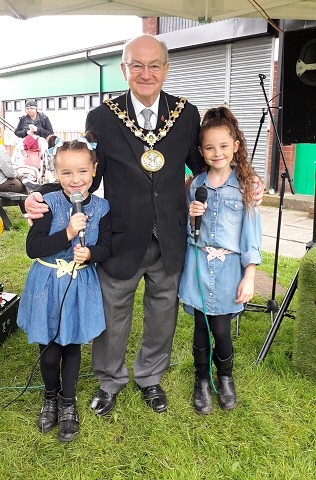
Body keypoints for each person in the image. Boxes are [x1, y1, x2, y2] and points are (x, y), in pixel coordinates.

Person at [24, 34, 264, 417]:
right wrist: (39, 193)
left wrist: (245, 175)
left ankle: (150, 377)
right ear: (125, 69)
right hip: (120, 235)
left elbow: (205, 165)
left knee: (162, 312)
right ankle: (110, 380)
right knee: (113, 311)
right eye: (137, 65)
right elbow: (87, 172)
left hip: (171, 233)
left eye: (154, 65)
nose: (146, 73)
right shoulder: (102, 116)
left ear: (166, 69)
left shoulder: (185, 114)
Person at [17, 136, 111, 442]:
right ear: (57, 175)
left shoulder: (102, 207)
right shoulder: (47, 202)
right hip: (48, 285)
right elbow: (34, 247)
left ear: (94, 170)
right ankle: (50, 398)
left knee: (72, 345)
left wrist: (92, 253)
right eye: (67, 173)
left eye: (82, 171)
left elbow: (107, 247)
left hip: (79, 284)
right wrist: (67, 233)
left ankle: (68, 403)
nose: (75, 180)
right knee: (49, 350)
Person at [178, 106, 262, 415]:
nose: (217, 153)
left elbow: (251, 234)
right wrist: (191, 217)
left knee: (221, 330)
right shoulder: (196, 184)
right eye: (210, 147)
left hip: (228, 270)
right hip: (199, 266)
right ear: (201, 150)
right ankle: (202, 380)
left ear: (236, 146)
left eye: (224, 146)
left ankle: (225, 377)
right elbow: (189, 233)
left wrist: (249, 274)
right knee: (200, 328)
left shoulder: (245, 186)